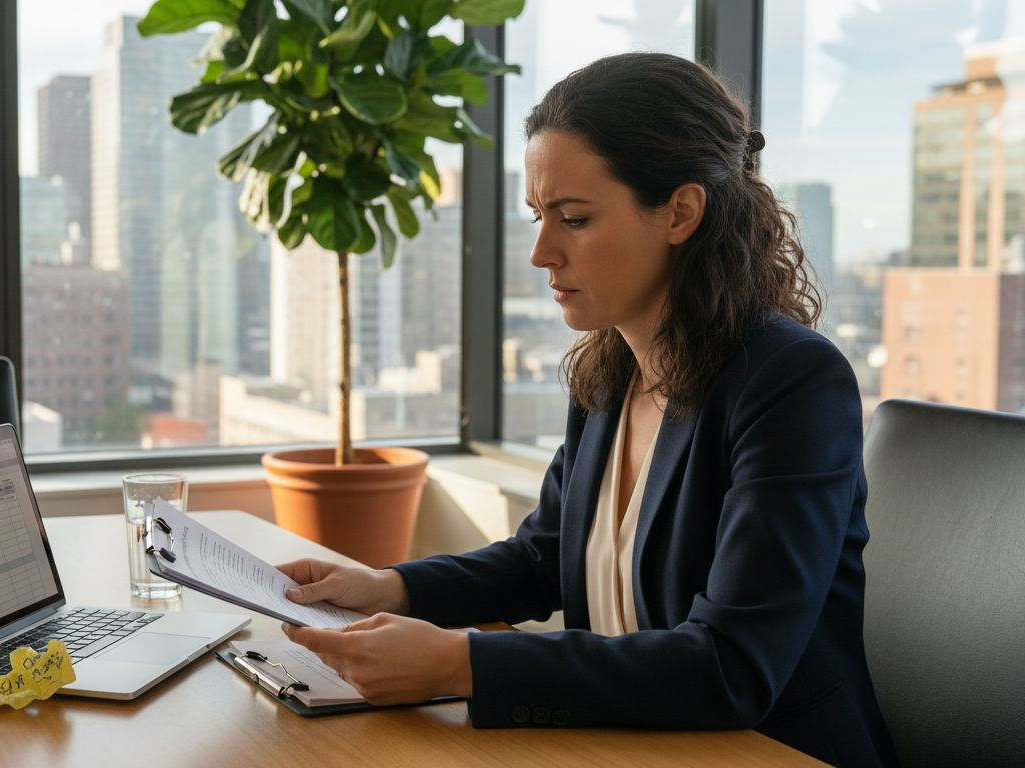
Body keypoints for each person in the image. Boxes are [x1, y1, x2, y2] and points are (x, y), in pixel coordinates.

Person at [277, 52, 899, 767]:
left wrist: (461, 663)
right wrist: (387, 586)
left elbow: (733, 666)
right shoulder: (607, 374)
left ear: (681, 212)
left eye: (573, 218)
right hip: (629, 744)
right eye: (540, 216)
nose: (541, 252)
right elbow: (543, 557)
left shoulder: (792, 383)